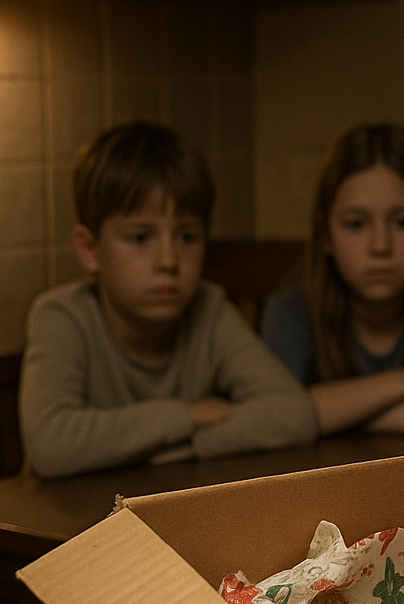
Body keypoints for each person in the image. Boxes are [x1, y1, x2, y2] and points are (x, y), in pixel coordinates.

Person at [19, 123, 317, 479]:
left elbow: (293, 414)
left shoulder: (210, 309)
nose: (169, 260)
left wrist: (180, 449)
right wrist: (189, 414)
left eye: (187, 236)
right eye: (140, 237)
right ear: (89, 249)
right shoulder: (61, 316)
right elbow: (52, 445)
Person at [263, 124, 404, 436]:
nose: (380, 245)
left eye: (402, 222)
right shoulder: (291, 312)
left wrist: (334, 414)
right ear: (325, 233)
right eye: (356, 224)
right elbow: (273, 415)